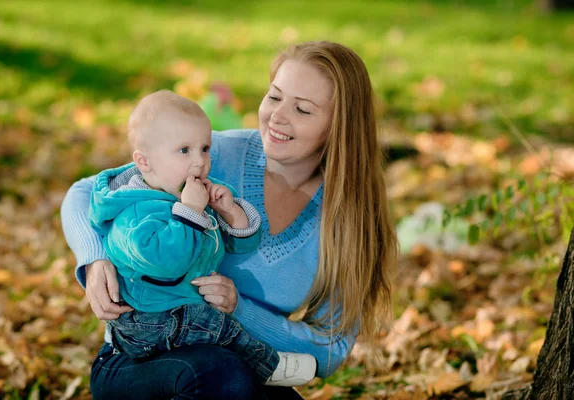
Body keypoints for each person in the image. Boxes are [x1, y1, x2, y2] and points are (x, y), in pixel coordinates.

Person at [61, 40, 398, 400]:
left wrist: (240, 310)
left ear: (338, 126)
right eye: (274, 97)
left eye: (302, 109)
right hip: (139, 359)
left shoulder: (346, 218)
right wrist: (94, 259)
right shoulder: (211, 154)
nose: (277, 117)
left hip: (244, 370)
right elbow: (85, 192)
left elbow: (330, 348)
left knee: (236, 378)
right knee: (223, 375)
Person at [87, 89, 316, 386]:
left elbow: (239, 247)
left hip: (177, 311)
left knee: (215, 336)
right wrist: (191, 211)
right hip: (148, 320)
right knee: (216, 327)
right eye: (184, 151)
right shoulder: (135, 213)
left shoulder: (187, 195)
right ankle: (268, 363)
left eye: (205, 149)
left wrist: (230, 212)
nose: (199, 162)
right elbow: (168, 262)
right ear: (144, 162)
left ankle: (251, 369)